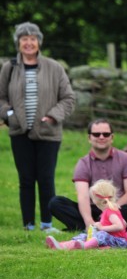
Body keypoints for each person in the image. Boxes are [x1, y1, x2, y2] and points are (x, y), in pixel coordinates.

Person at [0, 22, 76, 232]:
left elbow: (68, 98)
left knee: (45, 178)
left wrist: (53, 116)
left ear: (39, 42)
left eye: (33, 38)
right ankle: (28, 225)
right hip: (19, 132)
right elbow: (1, 98)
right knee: (25, 179)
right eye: (24, 38)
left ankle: (46, 224)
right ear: (18, 42)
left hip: (48, 133)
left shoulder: (54, 67)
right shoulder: (9, 67)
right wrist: (9, 115)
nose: (29, 43)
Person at [49, 119, 127, 232]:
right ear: (89, 138)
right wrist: (88, 221)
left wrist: (111, 209)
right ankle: (92, 227)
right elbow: (83, 196)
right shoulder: (83, 163)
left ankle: (89, 227)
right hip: (93, 207)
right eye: (96, 134)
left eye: (106, 134)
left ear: (112, 137)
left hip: (117, 207)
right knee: (56, 203)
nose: (101, 137)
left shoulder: (126, 159)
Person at [45, 180, 127, 250]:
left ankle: (85, 246)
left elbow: (120, 226)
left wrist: (102, 228)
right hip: (112, 240)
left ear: (95, 199)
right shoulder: (109, 210)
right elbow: (124, 223)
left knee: (102, 234)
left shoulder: (110, 211)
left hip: (120, 242)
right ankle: (62, 245)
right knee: (84, 235)